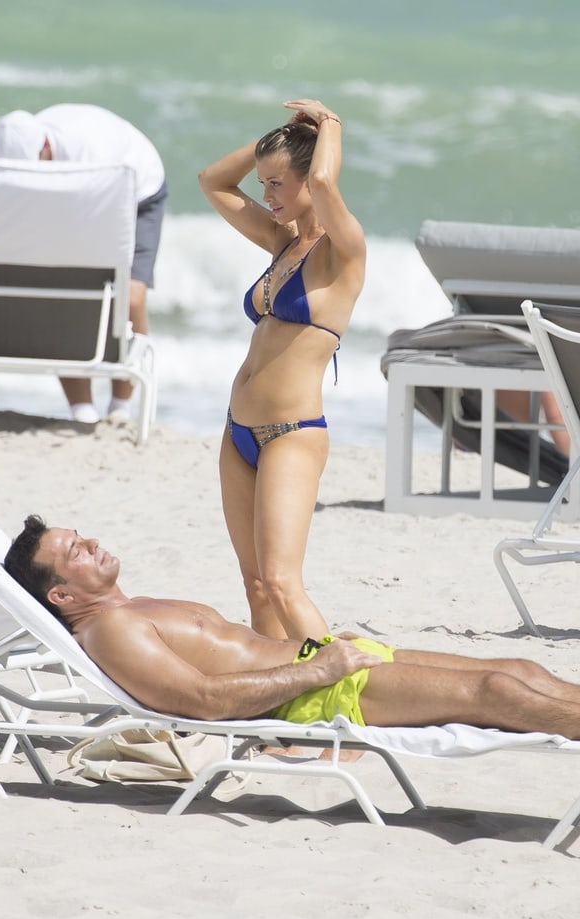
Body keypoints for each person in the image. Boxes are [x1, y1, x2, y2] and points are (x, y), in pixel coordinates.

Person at [3, 515, 580, 769]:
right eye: (74, 553)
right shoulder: (109, 629)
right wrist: (325, 665)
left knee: (514, 671)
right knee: (500, 696)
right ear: (63, 596)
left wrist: (321, 649)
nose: (93, 544)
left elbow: (227, 659)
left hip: (323, 666)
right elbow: (203, 703)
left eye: (82, 536)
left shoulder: (132, 602)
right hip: (316, 694)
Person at [198, 99, 366, 642]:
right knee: (255, 585)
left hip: (291, 435)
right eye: (264, 184)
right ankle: (276, 702)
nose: (266, 196)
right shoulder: (282, 243)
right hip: (237, 431)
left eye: (275, 184)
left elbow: (321, 179)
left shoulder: (344, 252)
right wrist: (275, 141)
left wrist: (328, 127)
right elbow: (213, 181)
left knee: (282, 582)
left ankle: (344, 697)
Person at [0, 104, 168, 423]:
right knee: (66, 294)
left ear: (45, 146)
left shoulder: (89, 151)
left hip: (138, 190)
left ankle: (120, 406)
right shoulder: (32, 150)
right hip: (82, 199)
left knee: (131, 297)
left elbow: (104, 222)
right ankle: (81, 410)